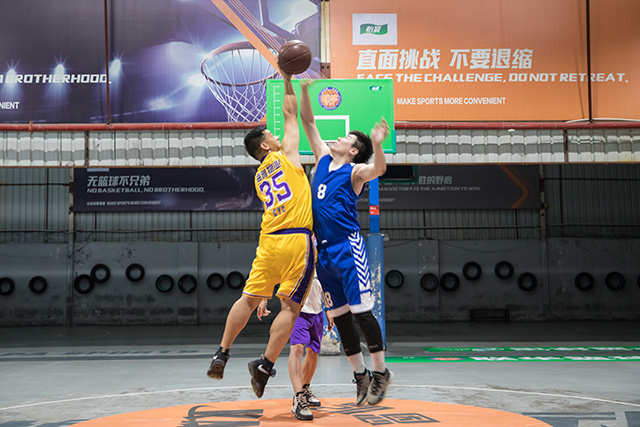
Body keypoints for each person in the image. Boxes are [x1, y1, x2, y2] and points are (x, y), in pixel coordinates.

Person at [206, 71, 316, 405]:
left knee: (248, 299)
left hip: (268, 241)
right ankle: (265, 365)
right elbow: (291, 113)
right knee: (291, 308)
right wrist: (288, 78)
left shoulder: (259, 175)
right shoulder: (288, 156)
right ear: (266, 145)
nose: (277, 135)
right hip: (296, 241)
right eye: (271, 134)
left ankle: (222, 352)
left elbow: (285, 121)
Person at [299, 80, 393, 407]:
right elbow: (308, 121)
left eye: (345, 138)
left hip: (347, 248)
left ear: (353, 150)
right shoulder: (323, 158)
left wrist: (377, 143)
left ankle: (381, 371)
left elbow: (379, 168)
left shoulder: (355, 172)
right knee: (340, 318)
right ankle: (360, 375)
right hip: (324, 254)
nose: (338, 138)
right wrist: (305, 90)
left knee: (362, 312)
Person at [257, 273, 335, 421]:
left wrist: (328, 309)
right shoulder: (293, 260)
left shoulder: (319, 261)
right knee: (297, 348)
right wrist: (263, 299)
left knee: (313, 353)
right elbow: (272, 275)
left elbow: (325, 284)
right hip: (298, 311)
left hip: (317, 313)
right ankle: (298, 397)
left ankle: (305, 388)